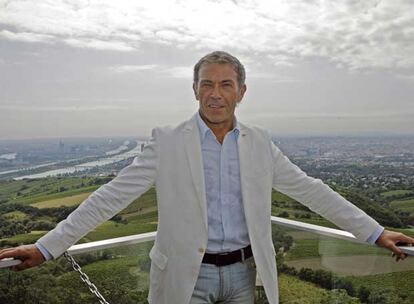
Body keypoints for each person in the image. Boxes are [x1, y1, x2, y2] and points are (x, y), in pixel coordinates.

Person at [0, 51, 413, 304]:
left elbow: (312, 191)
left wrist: (375, 233)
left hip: (241, 275)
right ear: (195, 90)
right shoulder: (166, 142)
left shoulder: (260, 143)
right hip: (184, 274)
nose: (216, 93)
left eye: (226, 84)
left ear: (242, 92)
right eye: (207, 84)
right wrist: (47, 247)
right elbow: (109, 198)